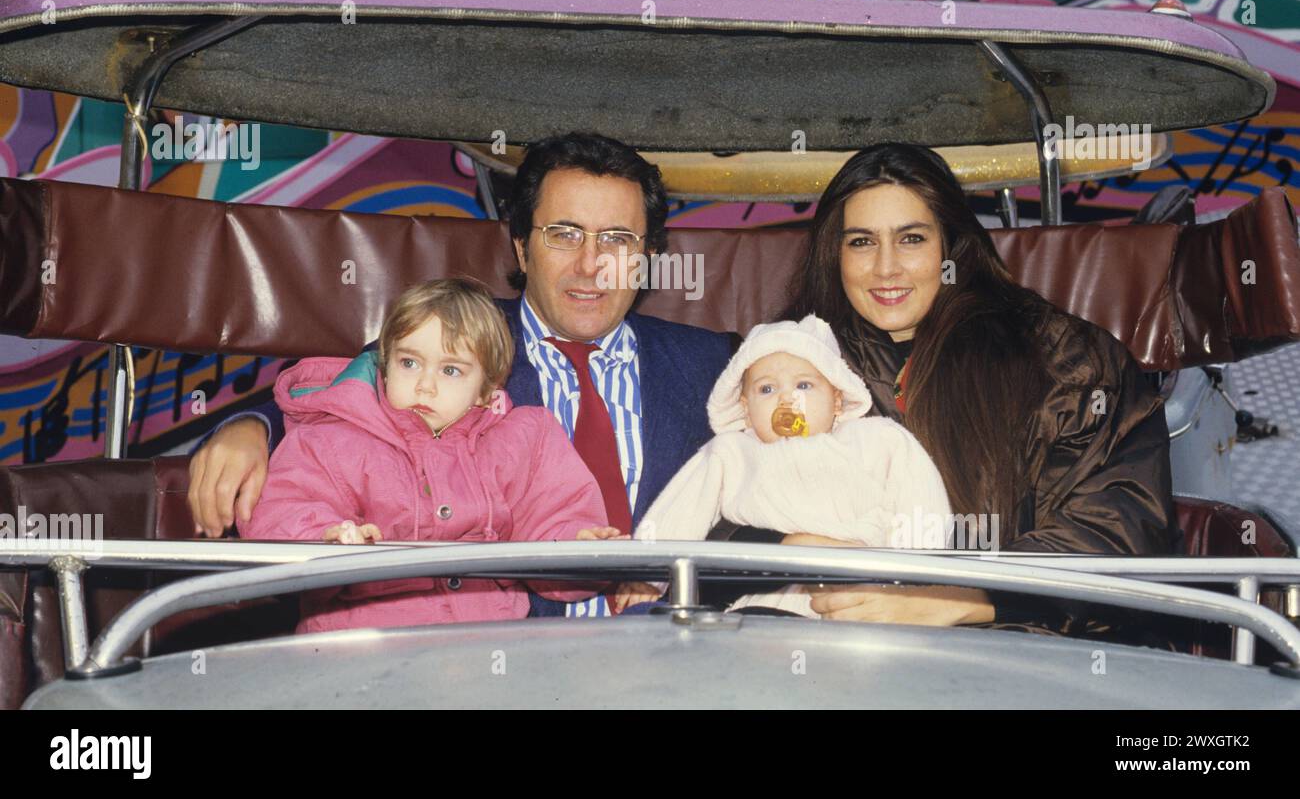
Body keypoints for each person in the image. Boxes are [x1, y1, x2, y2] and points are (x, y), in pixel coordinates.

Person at [187, 132, 734, 618]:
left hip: (679, 657)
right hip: (495, 662)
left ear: (649, 256)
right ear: (521, 244)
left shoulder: (714, 366)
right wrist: (250, 428)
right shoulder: (446, 339)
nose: (591, 264)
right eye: (565, 234)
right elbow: (340, 400)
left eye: (617, 239)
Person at [767, 143, 1179, 634]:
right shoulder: (787, 362)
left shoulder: (1067, 363)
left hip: (1028, 665)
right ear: (833, 255)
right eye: (861, 242)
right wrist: (780, 546)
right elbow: (720, 494)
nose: (886, 268)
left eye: (912, 238)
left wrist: (970, 595)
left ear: (952, 246)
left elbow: (1118, 536)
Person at [241, 278, 613, 632]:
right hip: (360, 655)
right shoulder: (331, 437)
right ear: (384, 367)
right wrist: (327, 539)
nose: (425, 384)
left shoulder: (522, 440)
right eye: (409, 363)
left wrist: (580, 547)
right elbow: (283, 510)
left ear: (486, 389)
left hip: (486, 653)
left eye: (450, 370)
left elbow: (551, 522)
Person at [614, 314, 950, 616]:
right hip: (766, 597)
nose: (787, 399)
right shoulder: (733, 452)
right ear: (745, 407)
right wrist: (649, 571)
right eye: (767, 388)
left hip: (868, 591)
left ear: (836, 398)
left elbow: (919, 499)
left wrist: (918, 582)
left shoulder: (878, 439)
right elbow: (683, 507)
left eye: (804, 385)